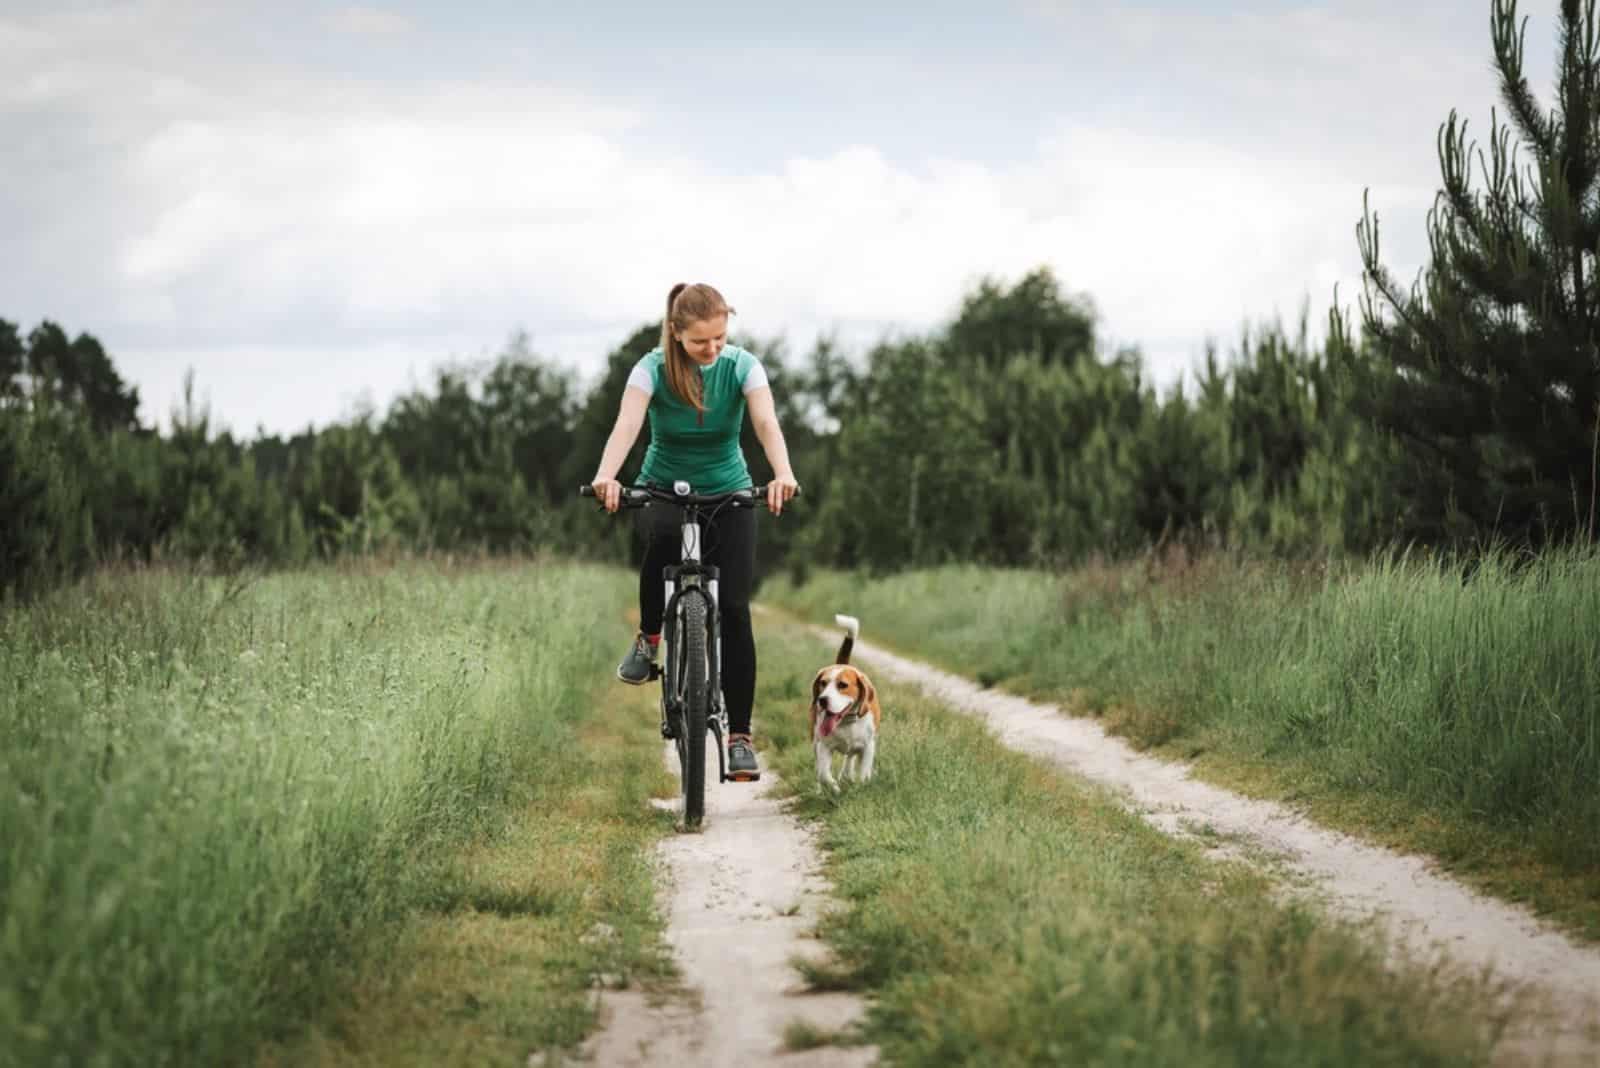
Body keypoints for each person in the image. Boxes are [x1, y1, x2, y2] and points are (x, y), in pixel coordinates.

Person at [590, 282, 800, 780]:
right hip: (663, 485)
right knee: (660, 540)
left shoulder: (743, 365)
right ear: (675, 333)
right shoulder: (652, 368)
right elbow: (627, 424)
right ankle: (649, 639)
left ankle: (741, 737)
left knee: (734, 607)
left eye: (720, 338)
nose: (712, 350)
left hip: (729, 491)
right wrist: (607, 475)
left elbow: (766, 423)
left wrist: (783, 472)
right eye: (701, 341)